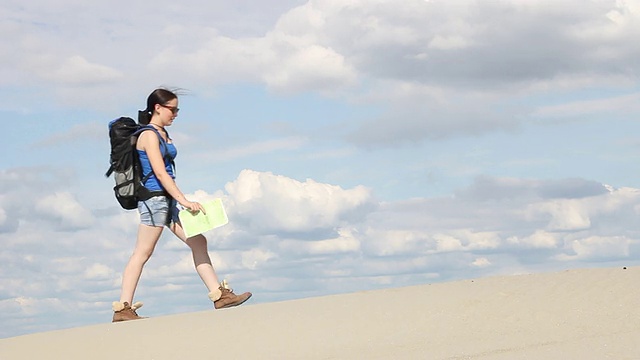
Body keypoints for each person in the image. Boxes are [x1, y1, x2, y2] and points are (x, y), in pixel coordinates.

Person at [112, 88, 252, 322]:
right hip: (155, 201)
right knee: (142, 252)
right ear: (158, 107)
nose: (175, 114)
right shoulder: (148, 135)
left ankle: (219, 295)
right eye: (172, 109)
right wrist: (184, 200)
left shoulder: (161, 133)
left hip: (165, 201)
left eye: (177, 110)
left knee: (198, 240)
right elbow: (159, 172)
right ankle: (122, 308)